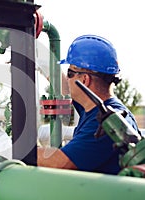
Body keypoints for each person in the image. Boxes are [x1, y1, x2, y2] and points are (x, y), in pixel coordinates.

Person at [37, 34, 141, 175]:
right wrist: (38, 60)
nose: (67, 79)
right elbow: (66, 88)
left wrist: (13, 149)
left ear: (84, 80)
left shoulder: (108, 121)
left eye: (70, 73)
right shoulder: (96, 107)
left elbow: (59, 162)